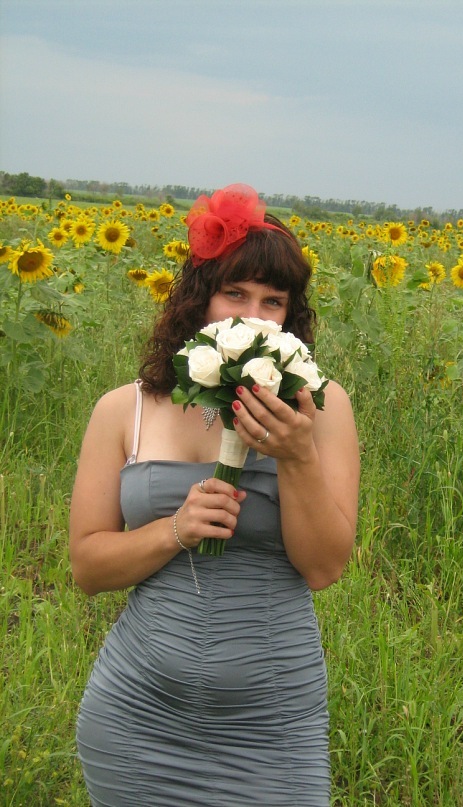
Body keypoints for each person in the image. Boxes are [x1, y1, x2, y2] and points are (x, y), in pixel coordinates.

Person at [70, 183, 360, 806]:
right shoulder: (124, 410)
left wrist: (297, 455)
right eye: (236, 293)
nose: (254, 315)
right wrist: (174, 529)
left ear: (291, 317)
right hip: (135, 718)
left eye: (273, 301)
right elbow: (88, 569)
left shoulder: (323, 410)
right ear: (199, 298)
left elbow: (324, 567)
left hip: (272, 726)